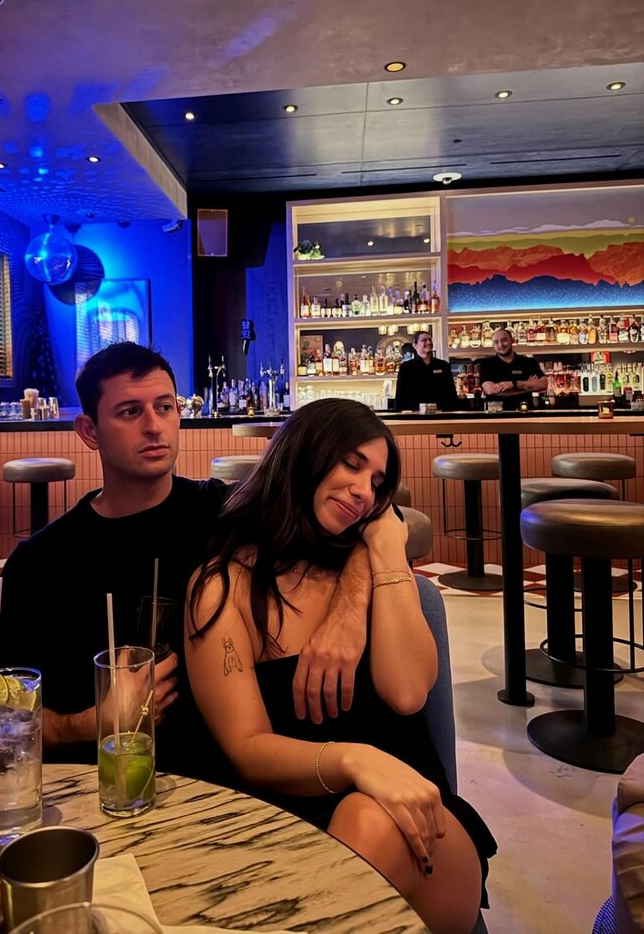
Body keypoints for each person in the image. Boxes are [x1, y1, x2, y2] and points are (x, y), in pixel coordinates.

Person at [0, 342, 379, 767]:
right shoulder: (40, 563)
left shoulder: (228, 512)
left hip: (226, 781)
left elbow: (373, 524)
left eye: (165, 407)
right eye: (130, 412)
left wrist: (346, 617)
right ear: (90, 431)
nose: (153, 426)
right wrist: (92, 723)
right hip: (95, 783)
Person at [186, 399, 495, 934]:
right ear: (303, 454)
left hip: (421, 822)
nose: (363, 491)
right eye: (351, 465)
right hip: (288, 825)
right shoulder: (225, 586)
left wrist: (387, 544)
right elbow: (246, 746)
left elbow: (406, 692)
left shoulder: (370, 571)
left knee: (366, 816)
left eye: (377, 482)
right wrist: (355, 760)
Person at [479, 328, 547, 404]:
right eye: (496, 342)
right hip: (497, 409)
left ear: (512, 340)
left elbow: (543, 384)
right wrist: (527, 387)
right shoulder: (486, 364)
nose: (500, 345)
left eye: (504, 340)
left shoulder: (528, 362)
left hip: (525, 409)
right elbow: (490, 390)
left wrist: (513, 384)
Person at [394, 331, 458, 411]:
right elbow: (400, 395)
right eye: (424, 340)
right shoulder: (406, 367)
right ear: (415, 345)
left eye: (430, 340)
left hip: (440, 413)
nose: (428, 342)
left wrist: (454, 412)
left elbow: (451, 393)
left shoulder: (443, 365)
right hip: (415, 414)